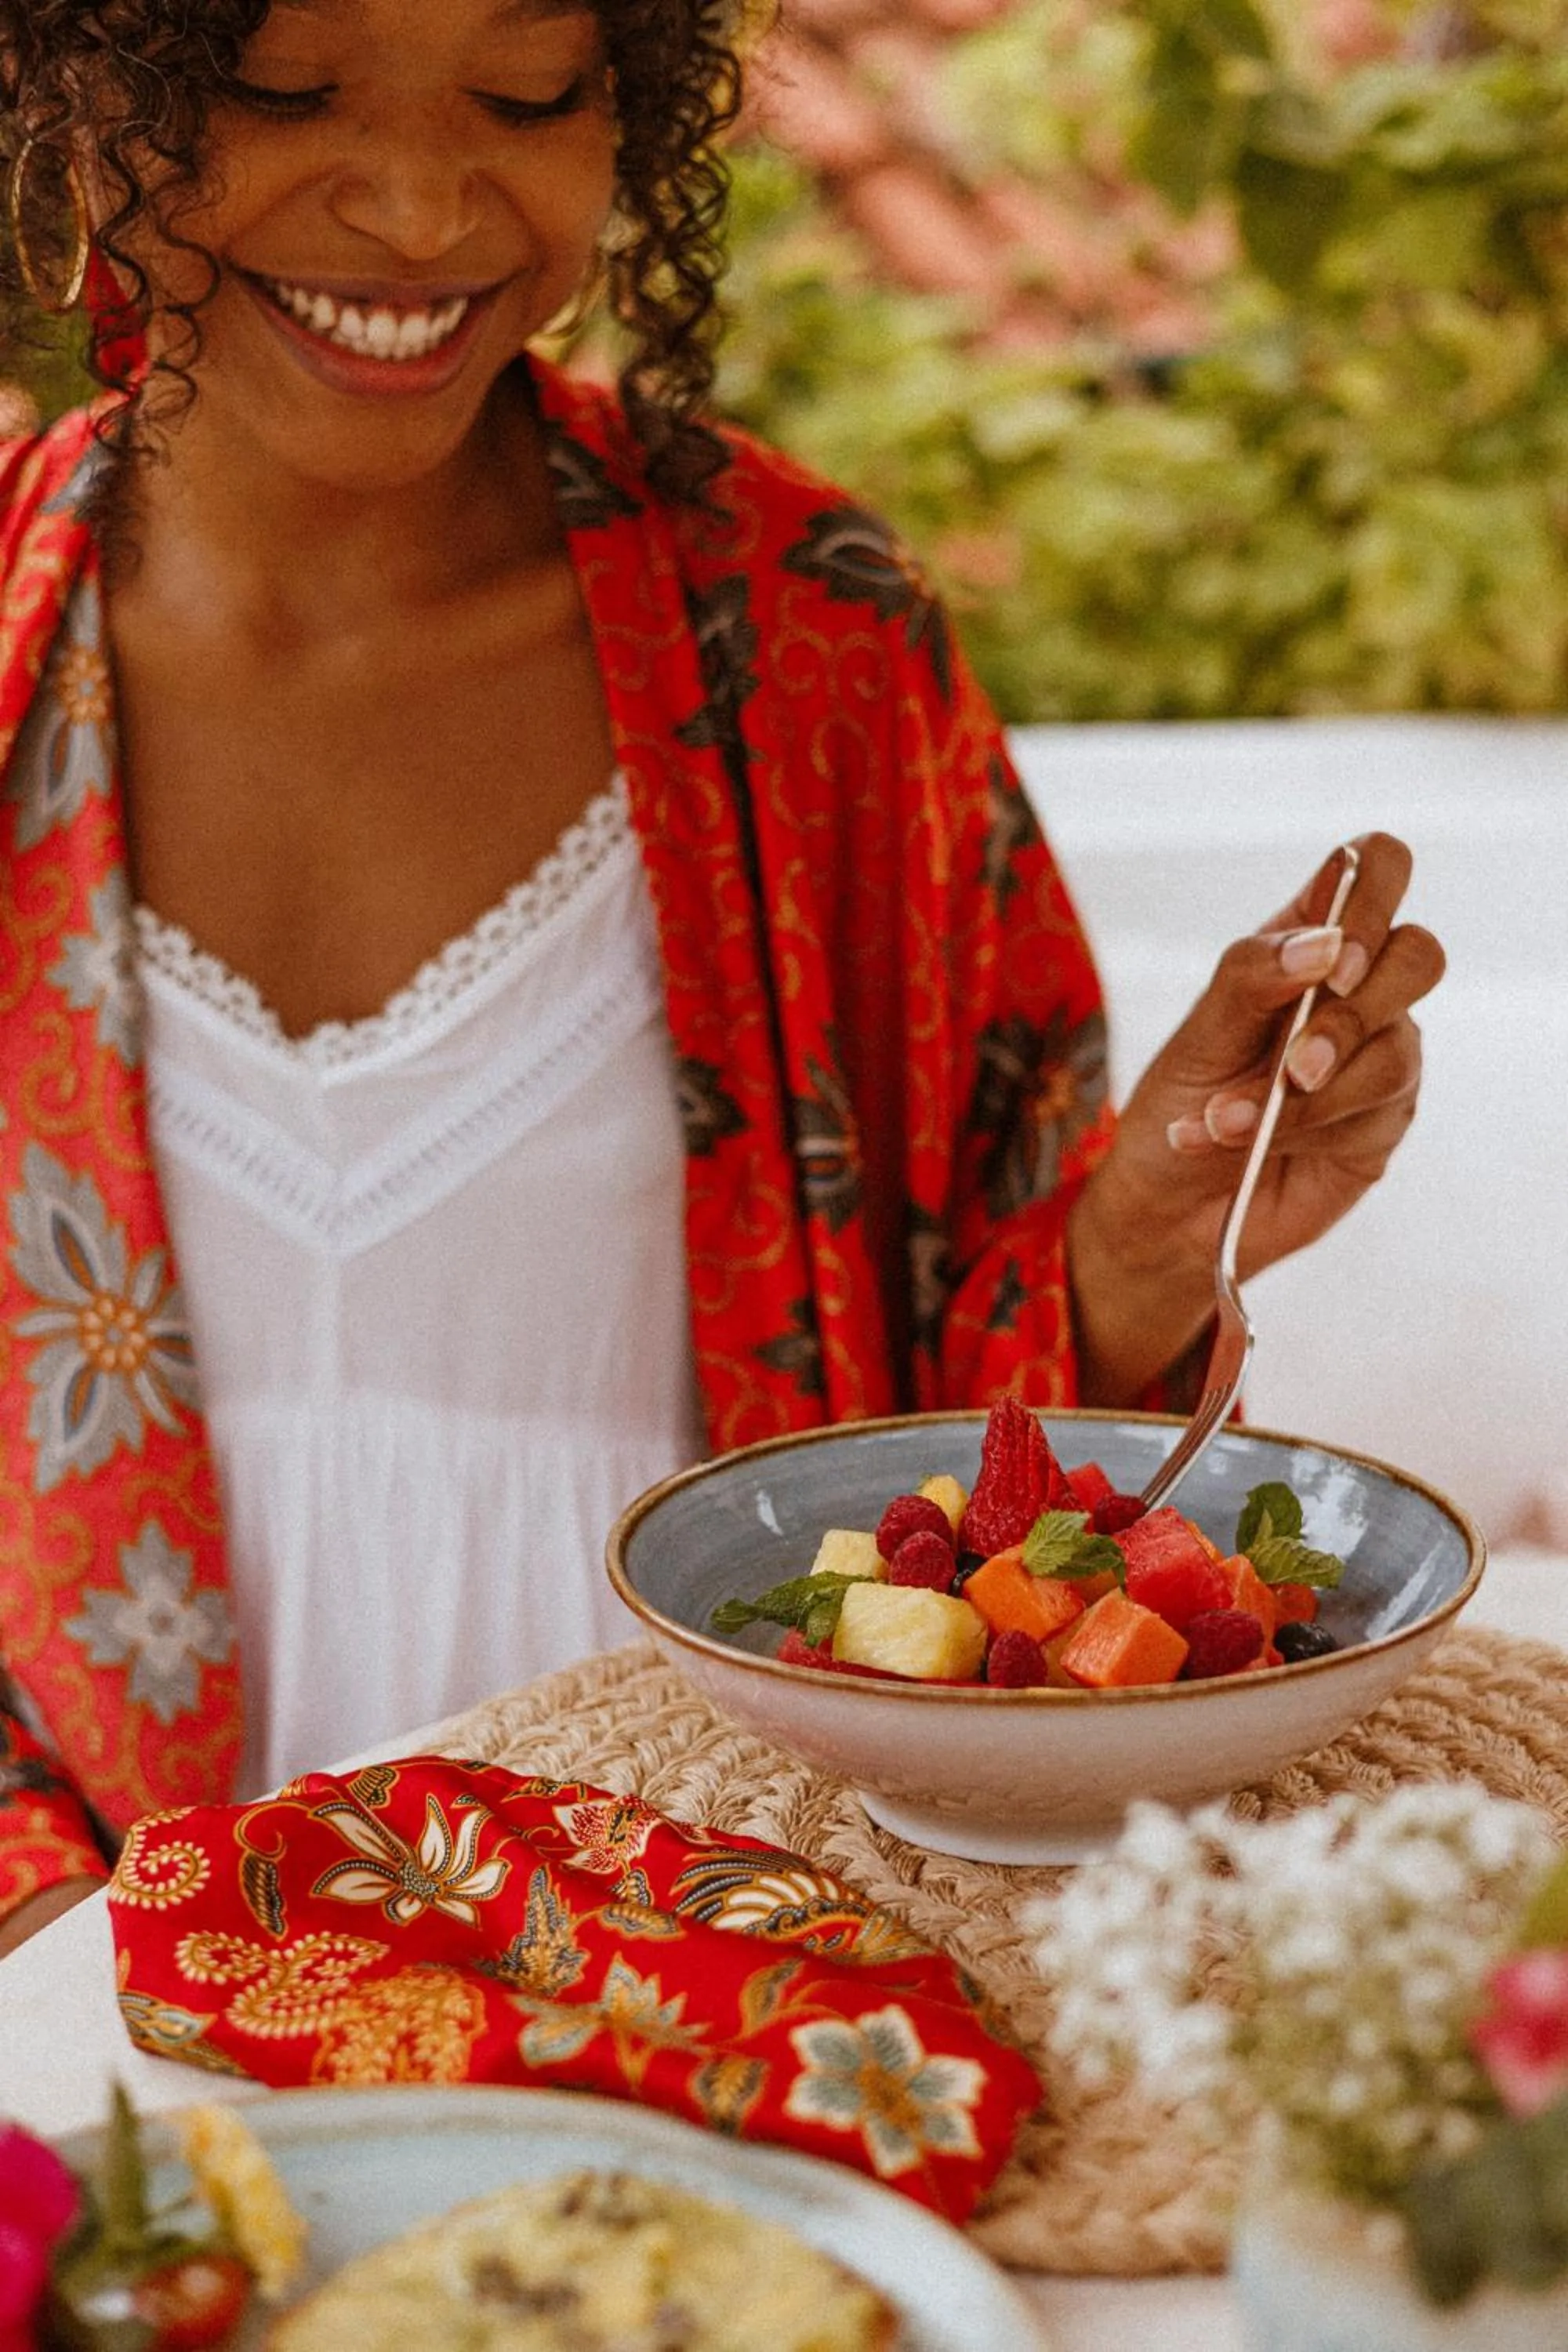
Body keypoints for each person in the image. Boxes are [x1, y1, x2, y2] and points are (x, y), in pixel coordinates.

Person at [0, 0, 1443, 1955]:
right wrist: (76, 1999)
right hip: (89, 2038)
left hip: (734, 1983)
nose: (423, 207)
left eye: (525, 95)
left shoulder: (814, 653)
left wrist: (1140, 1246)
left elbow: (969, 1520)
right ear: (88, 93)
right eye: (282, 91)